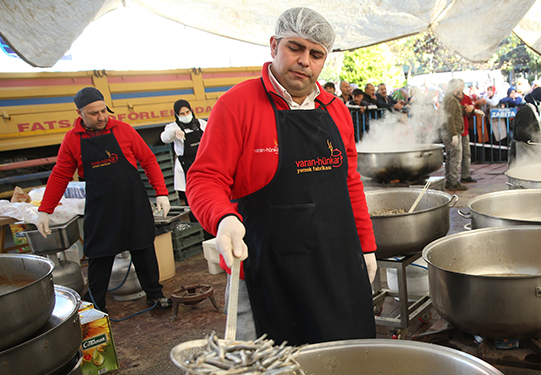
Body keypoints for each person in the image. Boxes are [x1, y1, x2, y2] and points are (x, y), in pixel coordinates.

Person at [185, 7, 377, 345]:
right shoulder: (237, 104)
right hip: (265, 270)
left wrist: (367, 246)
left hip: (335, 266)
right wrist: (223, 219)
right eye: (295, 48)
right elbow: (204, 178)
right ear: (274, 45)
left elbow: (350, 182)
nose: (305, 60)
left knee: (342, 366)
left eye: (316, 54)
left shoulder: (335, 109)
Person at [36, 87, 172, 313]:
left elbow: (148, 160)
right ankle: (95, 304)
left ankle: (155, 296)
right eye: (93, 113)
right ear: (80, 113)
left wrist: (161, 192)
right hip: (101, 205)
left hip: (132, 201)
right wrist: (45, 210)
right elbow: (60, 174)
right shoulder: (72, 139)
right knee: (99, 252)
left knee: (143, 248)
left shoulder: (124, 130)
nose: (101, 117)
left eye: (103, 111)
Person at [160, 99, 207, 209]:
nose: (186, 115)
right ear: (177, 114)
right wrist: (173, 133)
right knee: (192, 196)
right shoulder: (173, 127)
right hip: (186, 165)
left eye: (187, 112)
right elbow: (164, 138)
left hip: (202, 161)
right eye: (182, 113)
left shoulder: (201, 124)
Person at [511, 87, 541, 163]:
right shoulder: (526, 111)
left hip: (532, 152)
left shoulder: (534, 110)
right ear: (537, 99)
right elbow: (521, 132)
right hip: (523, 152)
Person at [440, 78, 468, 191]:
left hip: (448, 131)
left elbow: (457, 109)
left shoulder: (449, 98)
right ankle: (453, 182)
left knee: (450, 157)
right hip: (451, 132)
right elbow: (450, 118)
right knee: (455, 157)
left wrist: (471, 110)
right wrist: (454, 134)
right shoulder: (451, 99)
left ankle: (450, 180)